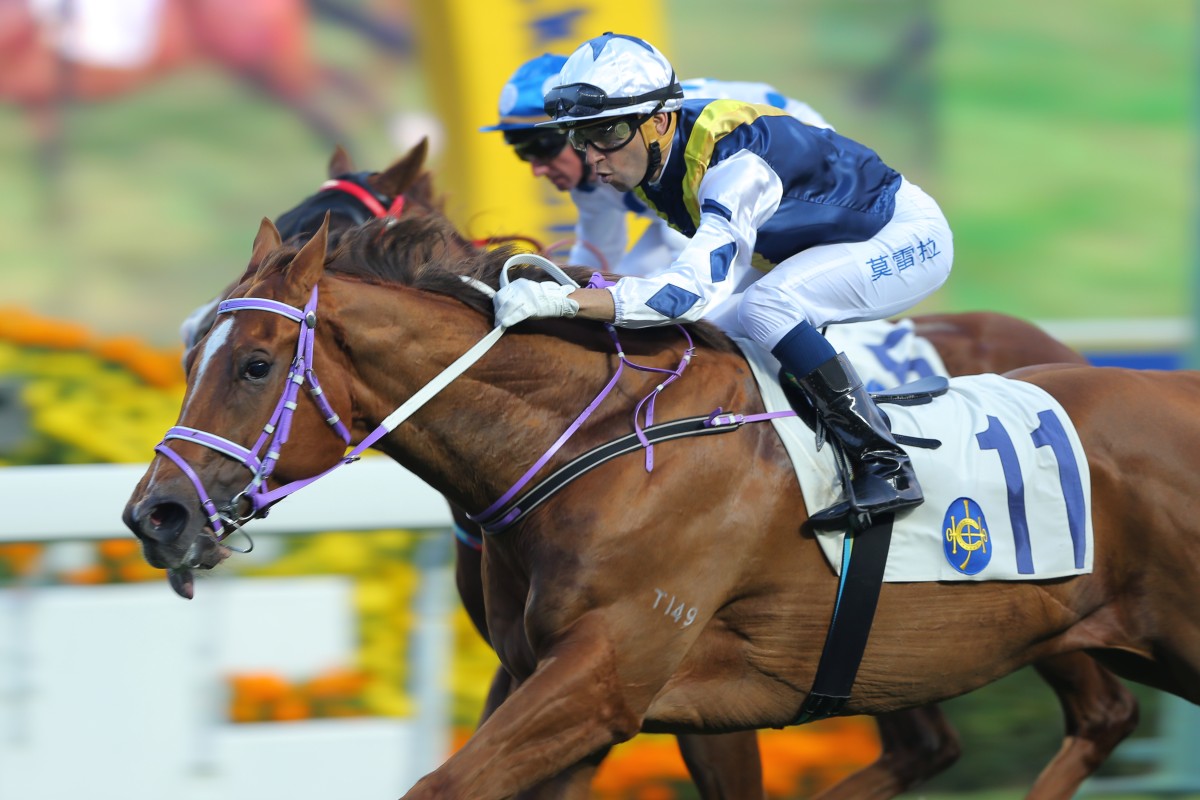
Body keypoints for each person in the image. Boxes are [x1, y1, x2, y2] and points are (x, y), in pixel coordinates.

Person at [492, 33, 954, 527]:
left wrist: (566, 303)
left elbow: (685, 294)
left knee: (765, 307)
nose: (591, 156)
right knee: (705, 332)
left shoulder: (734, 166)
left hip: (902, 236)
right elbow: (610, 264)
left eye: (605, 134)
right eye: (578, 137)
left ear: (659, 121)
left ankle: (883, 462)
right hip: (818, 242)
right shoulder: (643, 154)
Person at [480, 53, 832, 278]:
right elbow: (599, 256)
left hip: (806, 164)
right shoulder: (595, 166)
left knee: (675, 263)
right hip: (724, 195)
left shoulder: (659, 130)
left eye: (541, 146)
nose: (537, 168)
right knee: (631, 280)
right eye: (521, 151)